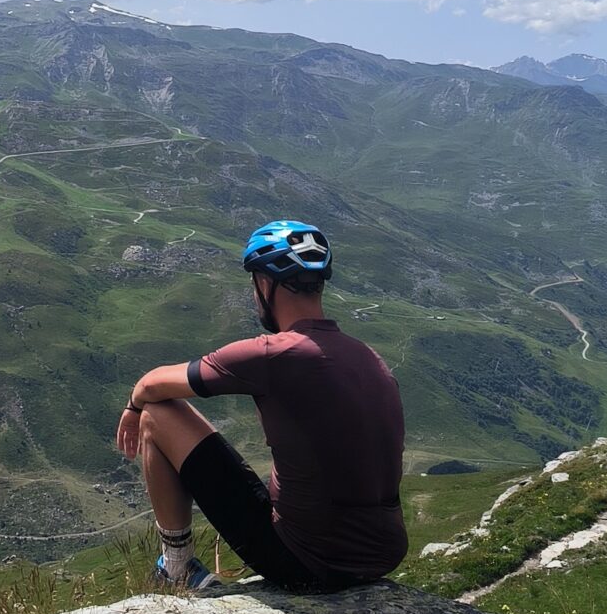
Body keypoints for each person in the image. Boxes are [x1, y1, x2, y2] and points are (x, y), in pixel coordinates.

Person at [115, 220, 408, 593]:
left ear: (266, 284)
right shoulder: (369, 358)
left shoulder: (274, 353)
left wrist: (132, 406)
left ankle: (176, 569)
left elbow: (151, 385)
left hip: (307, 563)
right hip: (382, 554)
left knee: (158, 414)